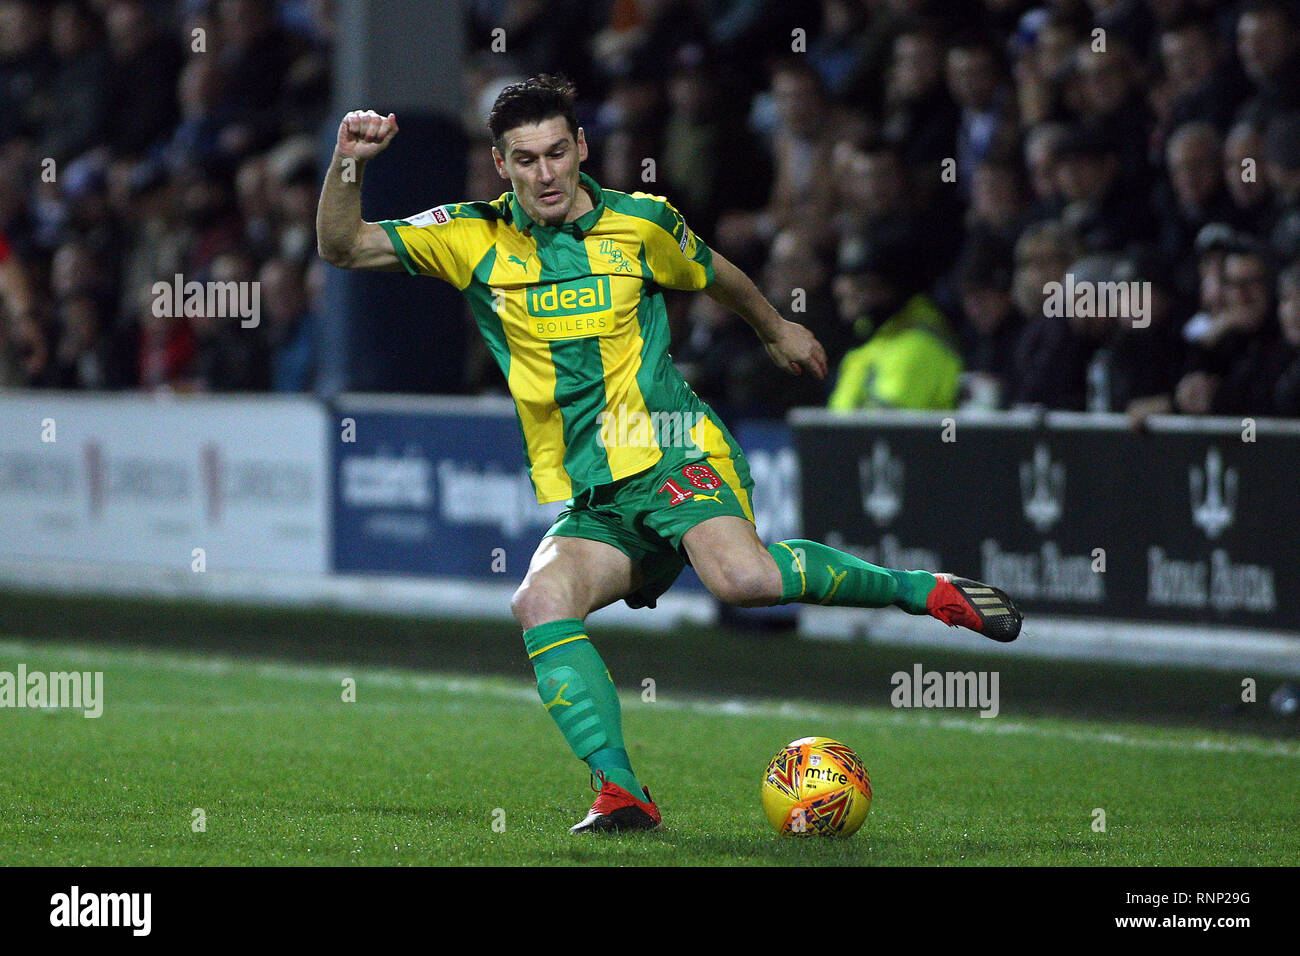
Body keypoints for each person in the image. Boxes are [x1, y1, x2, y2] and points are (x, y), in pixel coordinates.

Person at [316, 74, 1022, 835]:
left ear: (582, 147)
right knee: (539, 602)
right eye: (526, 160)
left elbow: (715, 271)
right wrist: (350, 160)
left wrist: (775, 328)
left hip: (672, 450)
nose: (546, 173)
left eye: (558, 152)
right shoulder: (472, 235)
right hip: (599, 494)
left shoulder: (642, 223)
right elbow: (343, 246)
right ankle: (622, 793)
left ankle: (918, 590)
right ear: (501, 165)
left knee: (744, 580)